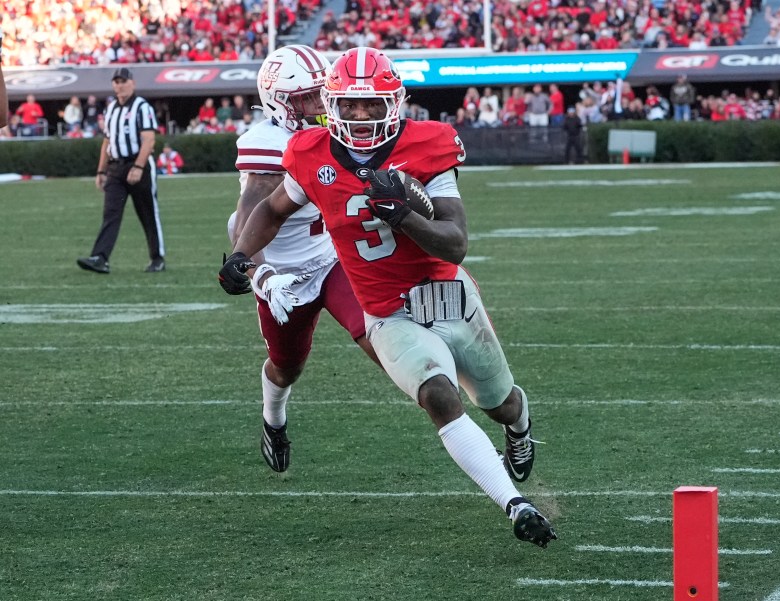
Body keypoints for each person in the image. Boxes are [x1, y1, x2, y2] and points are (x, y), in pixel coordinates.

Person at [219, 47, 557, 548]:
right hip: (385, 309)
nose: (359, 115)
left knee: (500, 403)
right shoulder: (310, 151)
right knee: (436, 395)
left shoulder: (430, 145)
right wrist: (242, 256)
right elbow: (268, 207)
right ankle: (515, 505)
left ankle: (521, 427)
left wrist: (405, 216)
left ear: (393, 103)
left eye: (371, 105)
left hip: (447, 295)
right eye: (349, 105)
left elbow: (456, 243)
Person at [229, 44, 380, 472]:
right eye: (308, 99)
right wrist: (260, 274)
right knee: (286, 366)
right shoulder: (268, 144)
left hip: (333, 260)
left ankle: (444, 408)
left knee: (381, 339)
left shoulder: (333, 132)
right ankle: (273, 420)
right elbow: (249, 220)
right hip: (284, 276)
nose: (320, 105)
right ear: (281, 103)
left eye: (322, 94)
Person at [77, 67, 166, 274]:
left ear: (132, 83)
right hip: (116, 168)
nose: (119, 85)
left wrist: (138, 166)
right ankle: (100, 257)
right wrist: (101, 171)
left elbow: (149, 139)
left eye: (123, 81)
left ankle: (157, 257)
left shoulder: (142, 107)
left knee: (148, 212)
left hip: (138, 165)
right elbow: (106, 142)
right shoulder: (110, 109)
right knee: (111, 213)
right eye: (116, 81)